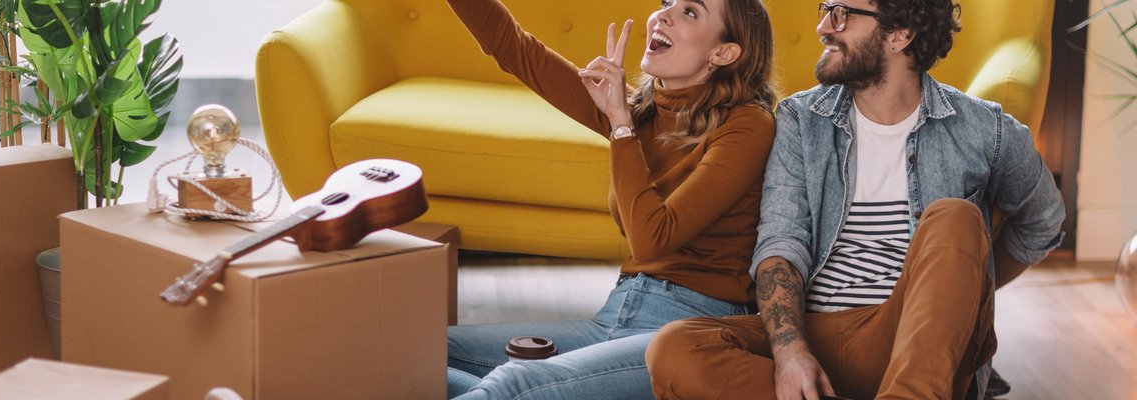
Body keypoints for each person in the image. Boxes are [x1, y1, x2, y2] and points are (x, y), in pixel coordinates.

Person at [645, 0, 1065, 399]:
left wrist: (966, 289)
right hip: (821, 335)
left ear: (900, 33)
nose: (823, 26)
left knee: (955, 218)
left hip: (918, 337)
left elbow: (1043, 220)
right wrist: (791, 353)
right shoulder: (800, 120)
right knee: (676, 348)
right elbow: (780, 245)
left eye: (842, 14)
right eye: (826, 10)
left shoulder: (984, 129)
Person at [443, 0, 776, 398]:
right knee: (419, 352)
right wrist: (624, 116)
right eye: (667, 2)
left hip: (686, 332)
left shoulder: (748, 125)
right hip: (614, 316)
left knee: (515, 384)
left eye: (690, 11)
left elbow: (653, 239)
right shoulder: (643, 112)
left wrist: (620, 124)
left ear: (723, 52)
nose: (664, 14)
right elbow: (514, 49)